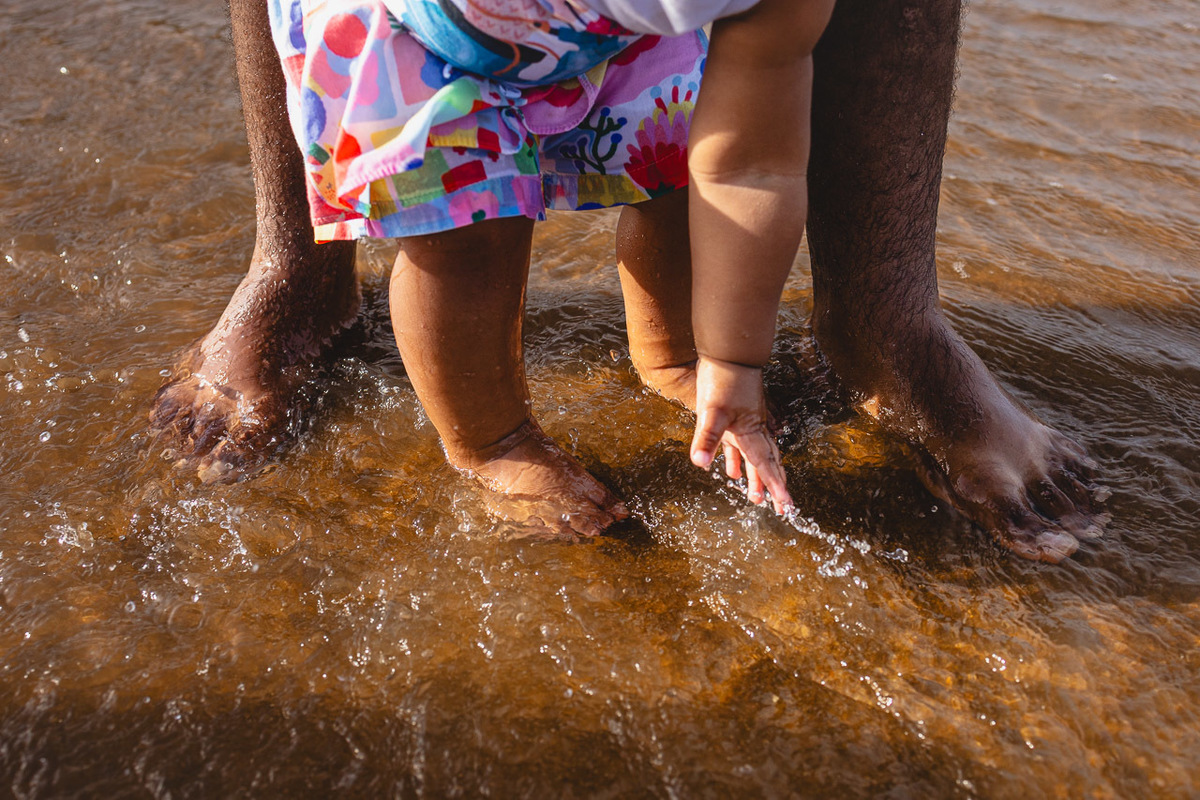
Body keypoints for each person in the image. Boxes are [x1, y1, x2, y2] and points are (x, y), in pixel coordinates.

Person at [152, 0, 1106, 562]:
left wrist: (734, 364)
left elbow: (752, 167)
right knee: (463, 231)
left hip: (621, 27)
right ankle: (487, 438)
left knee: (681, 158)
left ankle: (674, 348)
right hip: (417, 27)